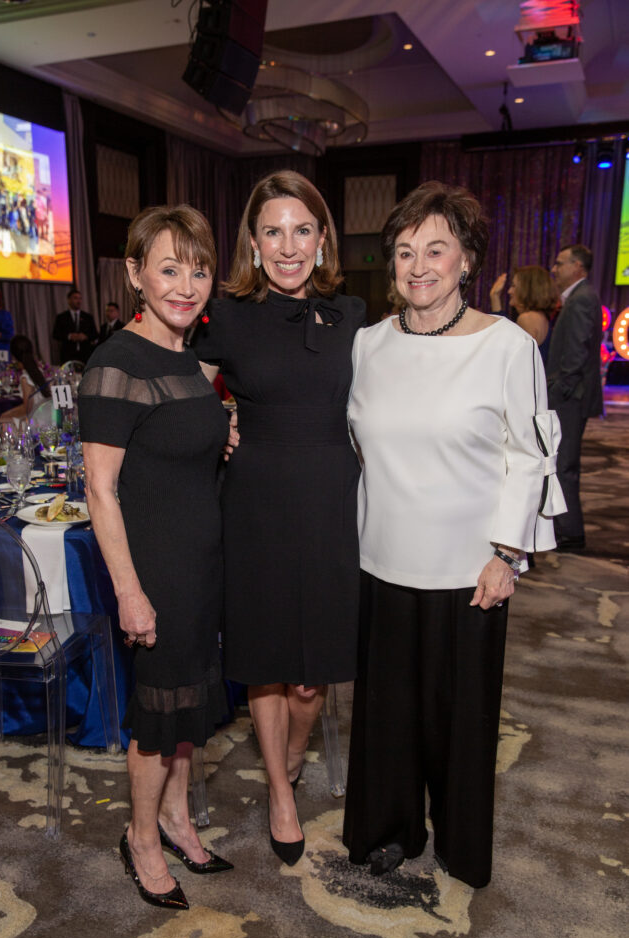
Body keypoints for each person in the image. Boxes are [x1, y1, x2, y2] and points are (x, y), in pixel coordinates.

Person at [343, 181, 561, 889]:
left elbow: (529, 456)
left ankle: (459, 843)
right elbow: (351, 441)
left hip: (470, 569)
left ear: (466, 259)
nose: (418, 266)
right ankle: (388, 830)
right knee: (388, 713)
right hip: (382, 559)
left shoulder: (507, 346)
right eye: (405, 252)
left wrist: (507, 554)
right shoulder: (369, 344)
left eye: (435, 250)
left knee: (459, 719)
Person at [194, 170, 366, 867]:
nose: (288, 246)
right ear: (254, 243)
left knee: (310, 678)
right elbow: (182, 394)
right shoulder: (227, 315)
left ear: (322, 240)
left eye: (301, 230)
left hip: (331, 501)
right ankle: (279, 791)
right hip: (255, 503)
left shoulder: (353, 314)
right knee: (265, 663)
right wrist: (218, 424)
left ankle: (293, 753)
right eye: (273, 232)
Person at [78, 205, 234, 910]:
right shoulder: (116, 363)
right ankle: (141, 838)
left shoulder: (187, 358)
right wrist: (129, 593)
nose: (186, 286)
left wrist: (223, 434)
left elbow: (181, 446)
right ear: (135, 274)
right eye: (169, 269)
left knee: (191, 705)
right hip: (156, 572)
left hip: (202, 564)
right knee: (157, 716)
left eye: (198, 271)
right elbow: (100, 489)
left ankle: (175, 817)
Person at [547, 244, 603, 550]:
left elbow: (577, 351)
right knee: (563, 462)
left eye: (560, 263)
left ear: (577, 267)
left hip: (572, 396)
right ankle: (566, 528)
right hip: (572, 394)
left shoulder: (581, 298)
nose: (555, 269)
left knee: (565, 464)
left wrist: (560, 388)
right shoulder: (580, 296)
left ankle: (570, 532)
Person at [489, 264, 560, 364]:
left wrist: (494, 296)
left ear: (527, 289)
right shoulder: (540, 317)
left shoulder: (527, 318)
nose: (509, 291)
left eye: (514, 286)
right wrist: (495, 297)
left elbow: (518, 360)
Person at [0, 335, 50, 430]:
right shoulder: (38, 371)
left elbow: (27, 408)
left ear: (14, 356)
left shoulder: (25, 378)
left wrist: (6, 414)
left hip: (36, 422)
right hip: (45, 416)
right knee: (2, 420)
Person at [52, 288, 98, 365]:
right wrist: (69, 336)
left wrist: (85, 336)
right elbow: (56, 334)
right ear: (69, 300)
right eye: (75, 298)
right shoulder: (61, 317)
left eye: (80, 298)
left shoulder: (88, 317)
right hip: (68, 353)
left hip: (85, 354)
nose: (78, 301)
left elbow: (95, 334)